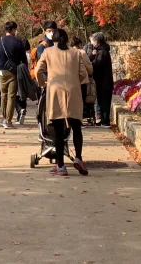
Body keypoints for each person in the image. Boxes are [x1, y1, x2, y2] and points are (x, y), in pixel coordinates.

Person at [35, 27, 93, 176]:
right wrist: (75, 82)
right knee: (77, 127)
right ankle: (78, 157)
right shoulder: (76, 53)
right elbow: (83, 74)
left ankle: (60, 165)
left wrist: (43, 84)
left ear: (53, 38)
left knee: (58, 130)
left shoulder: (47, 52)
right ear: (67, 39)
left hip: (55, 91)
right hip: (73, 91)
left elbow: (38, 70)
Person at [0, 21, 27, 130]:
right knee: (11, 96)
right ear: (13, 29)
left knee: (3, 95)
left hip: (1, 71)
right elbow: (23, 58)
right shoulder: (18, 42)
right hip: (13, 71)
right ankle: (8, 120)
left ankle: (4, 118)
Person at [89, 32, 114, 127]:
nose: (91, 42)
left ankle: (105, 120)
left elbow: (97, 64)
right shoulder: (100, 50)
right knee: (101, 100)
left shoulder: (103, 52)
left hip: (104, 81)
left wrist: (89, 64)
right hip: (102, 81)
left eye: (92, 40)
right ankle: (102, 119)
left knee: (104, 101)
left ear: (96, 41)